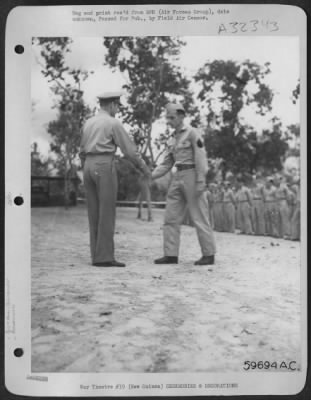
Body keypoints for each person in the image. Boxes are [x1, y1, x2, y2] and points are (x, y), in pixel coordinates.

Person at [79, 92, 150, 267]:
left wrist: (86, 168)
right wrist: (144, 168)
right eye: (117, 106)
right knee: (107, 212)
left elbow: (81, 150)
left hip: (87, 165)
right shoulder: (113, 123)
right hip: (104, 164)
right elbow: (129, 151)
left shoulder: (88, 123)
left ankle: (96, 255)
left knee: (93, 213)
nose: (117, 110)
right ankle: (104, 257)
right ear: (112, 105)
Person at [152, 103, 216, 265]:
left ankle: (209, 254)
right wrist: (150, 175)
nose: (169, 121)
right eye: (168, 118)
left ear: (181, 116)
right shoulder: (172, 138)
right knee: (170, 217)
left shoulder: (192, 133)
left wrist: (201, 179)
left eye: (172, 117)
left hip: (192, 175)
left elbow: (201, 156)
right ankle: (171, 254)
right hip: (177, 175)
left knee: (199, 216)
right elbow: (167, 163)